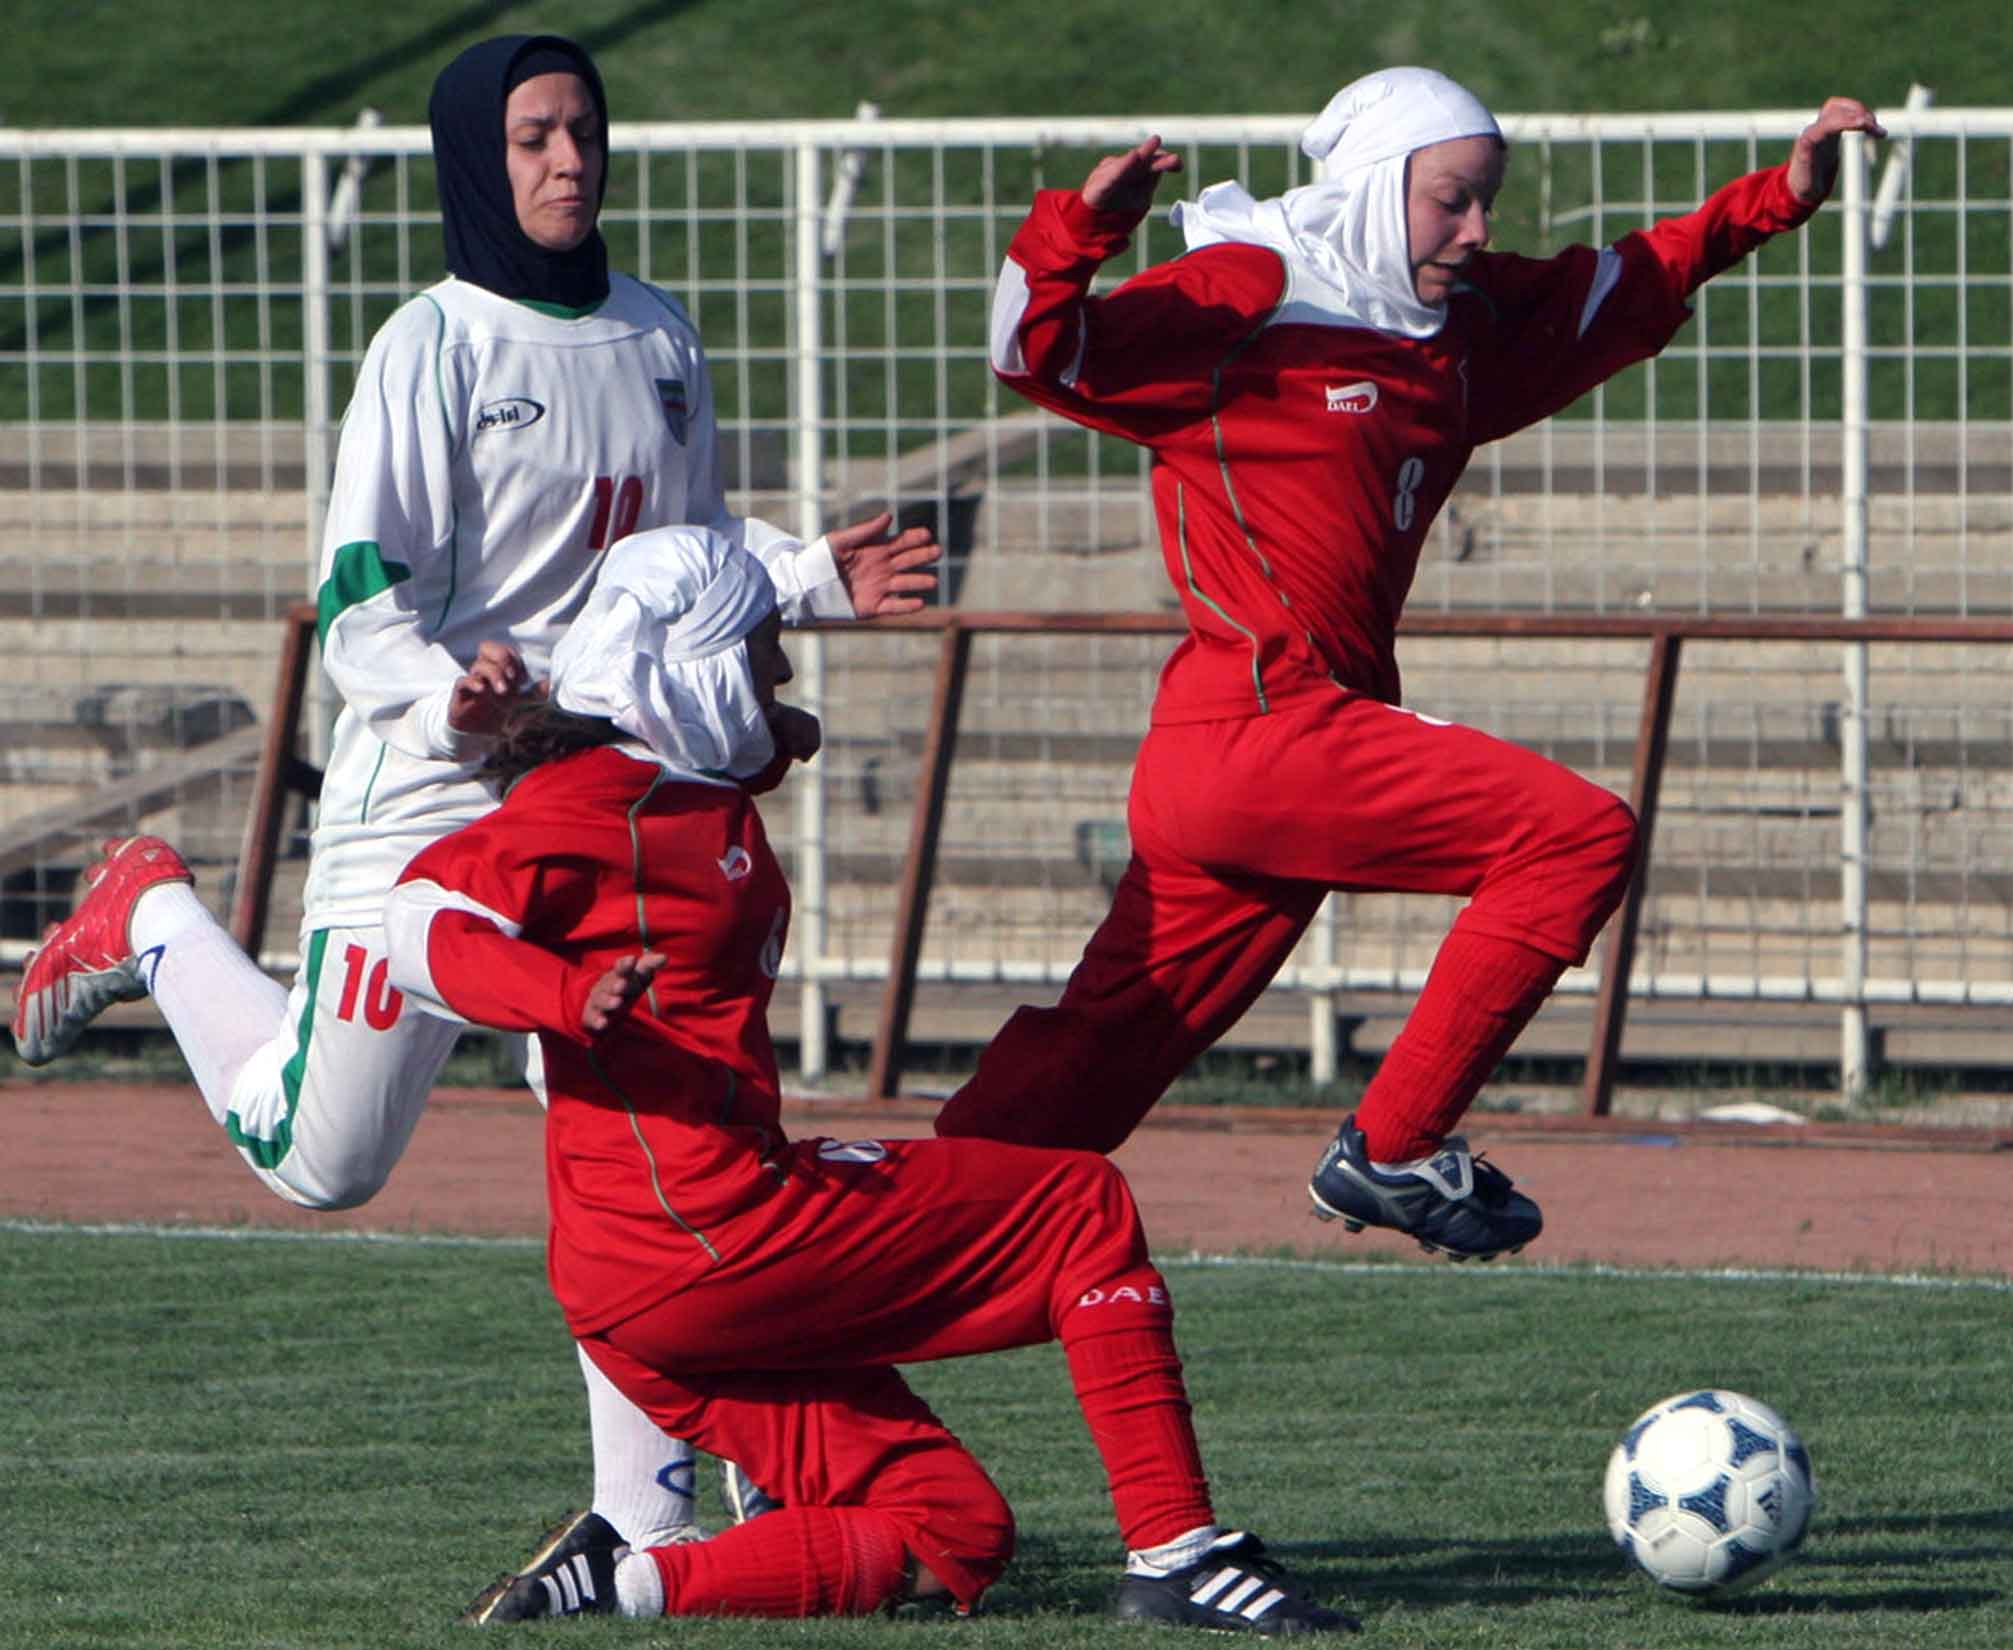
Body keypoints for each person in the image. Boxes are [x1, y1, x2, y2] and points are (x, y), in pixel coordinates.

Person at [9, 34, 936, 1572]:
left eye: (584, 130)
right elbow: (358, 599)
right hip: (429, 787)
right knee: (327, 1162)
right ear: (474, 161)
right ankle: (152, 913)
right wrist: (449, 692)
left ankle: (642, 1520)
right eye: (533, 139)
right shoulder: (427, 346)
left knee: (621, 1118)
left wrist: (816, 579)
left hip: (595, 781)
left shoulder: (657, 333)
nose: (570, 162)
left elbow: (691, 547)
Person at [936, 71, 1887, 1260]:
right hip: (1263, 730)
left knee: (1073, 1086)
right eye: (1451, 200)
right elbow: (1030, 349)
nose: (1476, 230)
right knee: (1574, 837)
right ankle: (1389, 1151)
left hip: (1243, 768)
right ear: (1378, 189)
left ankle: (850, 1265)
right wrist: (1083, 228)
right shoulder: (1250, 286)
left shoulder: (1454, 321)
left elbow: (1623, 281)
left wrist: (1776, 200)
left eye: (1485, 202)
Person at [380, 522, 1358, 1633]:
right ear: (692, 668)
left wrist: (772, 724)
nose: (780, 669)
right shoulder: (601, 800)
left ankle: (624, 1586)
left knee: (954, 1533)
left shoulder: (664, 784)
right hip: (710, 1237)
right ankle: (1177, 1550)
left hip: (633, 1297)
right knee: (1075, 1201)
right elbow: (417, 922)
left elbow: (701, 799)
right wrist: (563, 997)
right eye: (759, 648)